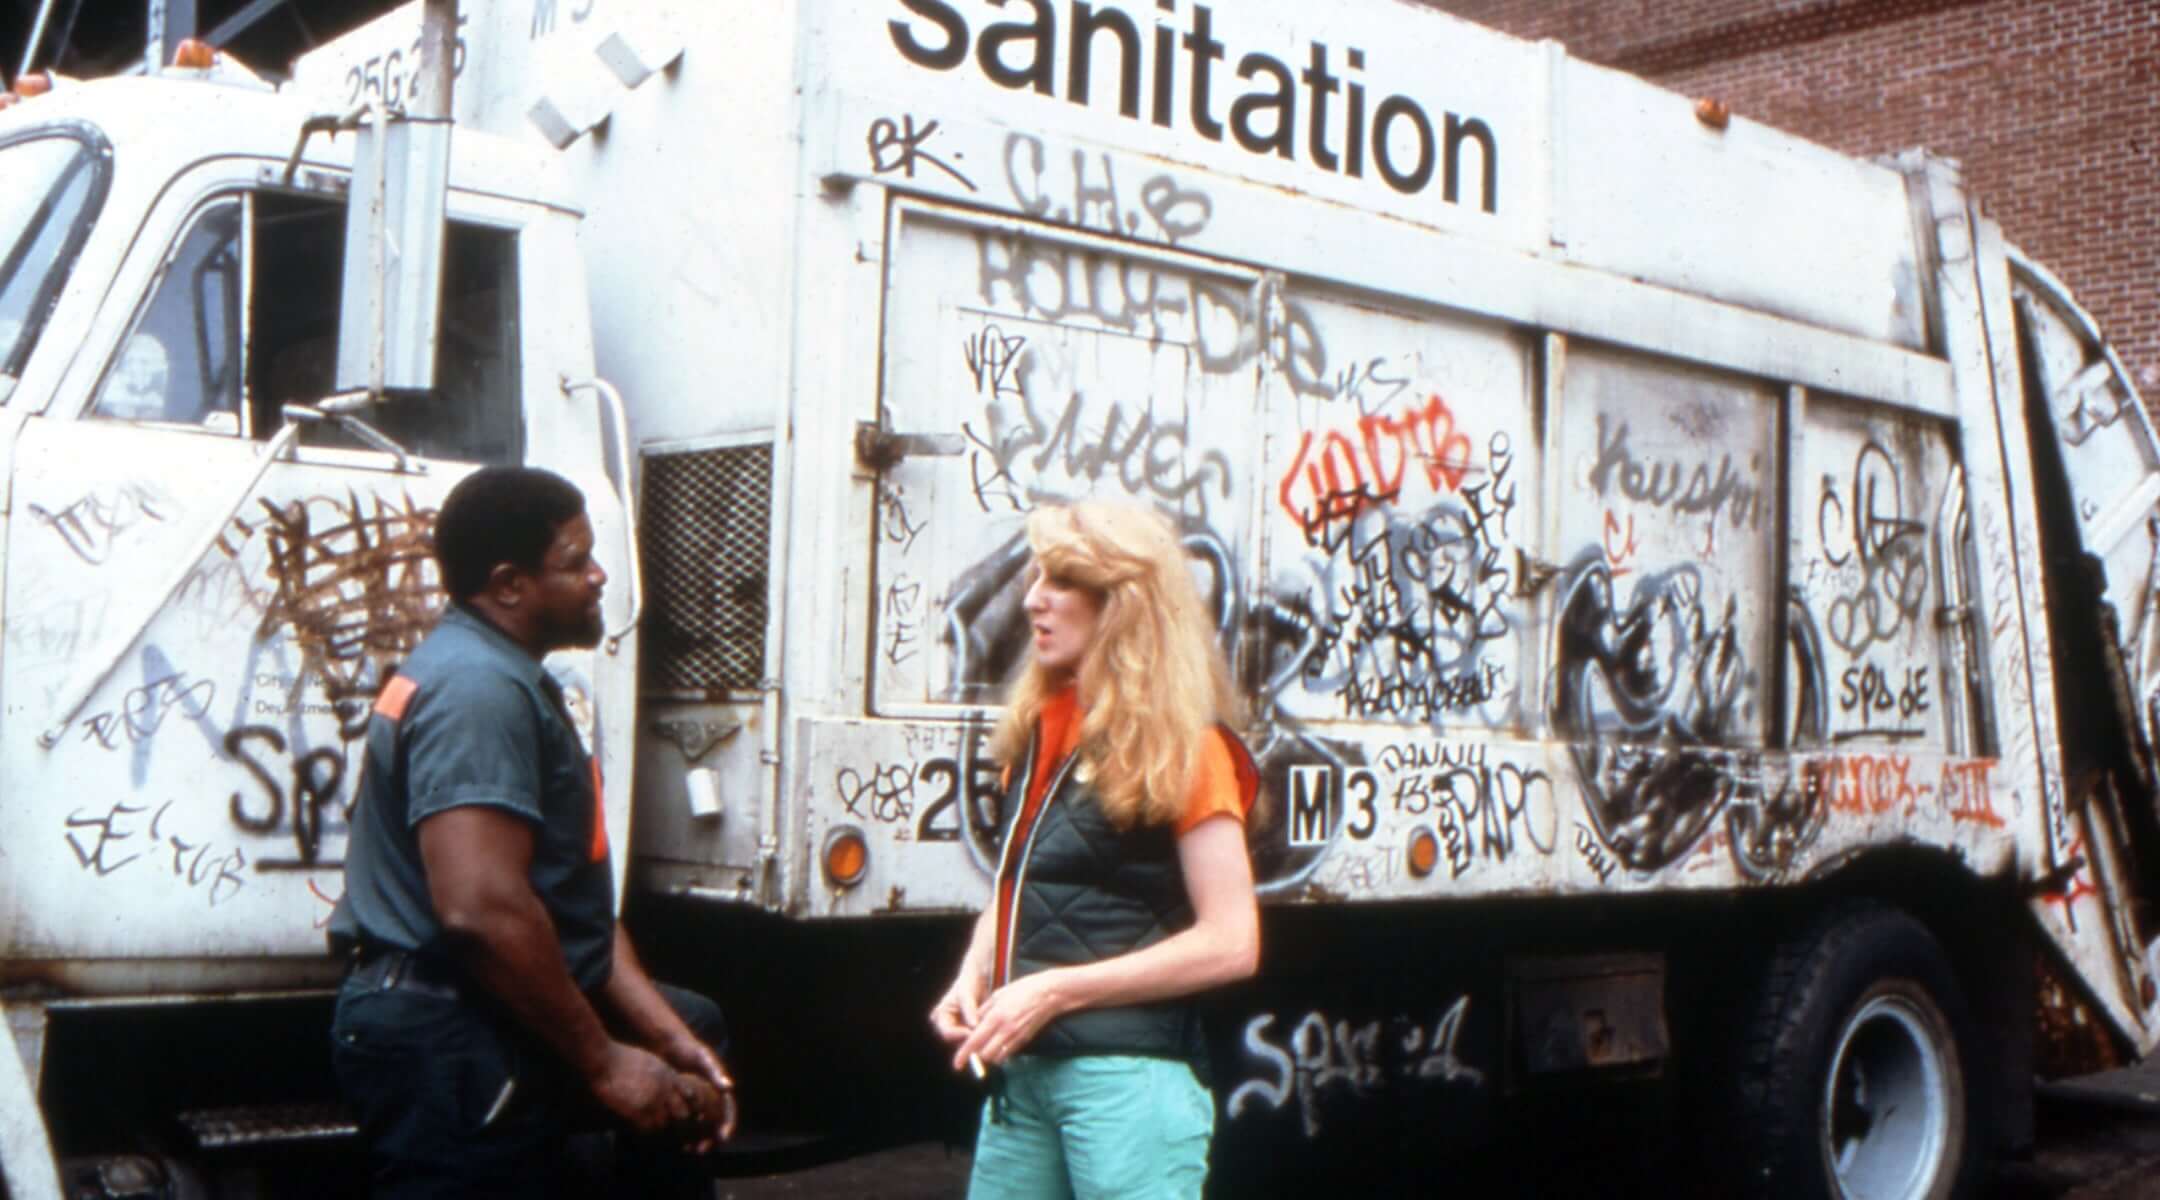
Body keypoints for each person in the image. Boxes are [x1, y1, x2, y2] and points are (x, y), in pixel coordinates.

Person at [328, 465, 736, 1199]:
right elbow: (480, 907)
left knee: (696, 1020)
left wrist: (666, 1037)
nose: (601, 576)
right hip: (449, 1037)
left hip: (477, 1018)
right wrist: (607, 1065)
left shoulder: (503, 676)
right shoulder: (478, 691)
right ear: (510, 585)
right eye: (577, 563)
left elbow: (569, 908)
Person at [930, 500, 1262, 1200]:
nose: (1032, 601)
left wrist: (1053, 991)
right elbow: (1023, 880)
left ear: (1122, 605)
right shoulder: (1048, 728)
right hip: (1027, 1077)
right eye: (1034, 578)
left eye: (1061, 581)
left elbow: (1233, 943)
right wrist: (975, 971)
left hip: (1128, 1084)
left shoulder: (1190, 749)